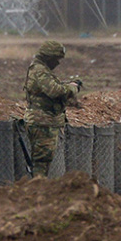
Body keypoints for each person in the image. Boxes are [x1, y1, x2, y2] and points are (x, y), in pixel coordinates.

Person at [23, 40, 82, 177]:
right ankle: (38, 189)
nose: (58, 62)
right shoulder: (39, 71)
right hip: (42, 122)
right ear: (49, 57)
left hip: (45, 121)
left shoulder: (41, 70)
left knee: (43, 161)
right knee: (41, 162)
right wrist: (72, 88)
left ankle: (39, 186)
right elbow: (55, 91)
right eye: (56, 59)